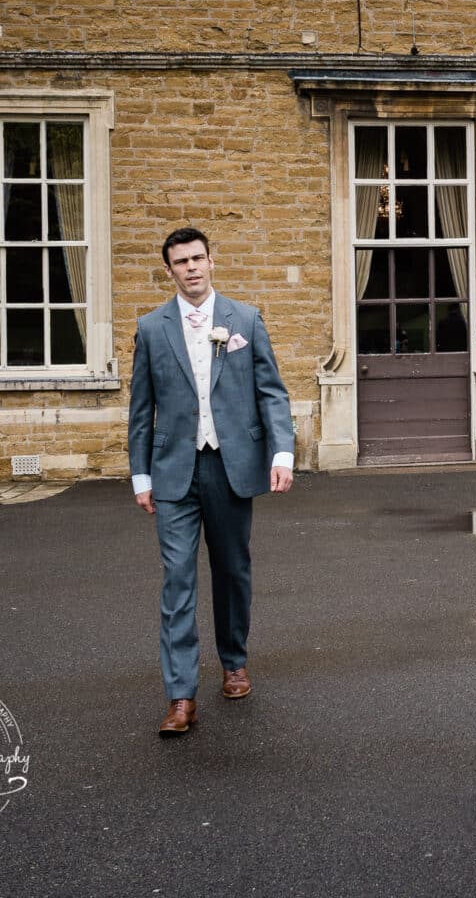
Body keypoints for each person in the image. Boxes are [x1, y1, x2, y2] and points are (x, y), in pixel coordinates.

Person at [128, 227, 295, 737]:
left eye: (198, 258)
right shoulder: (152, 328)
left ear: (212, 261)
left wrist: (281, 449)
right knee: (177, 578)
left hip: (231, 465)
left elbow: (271, 392)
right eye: (181, 262)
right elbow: (140, 409)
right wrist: (140, 473)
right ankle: (181, 697)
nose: (191, 268)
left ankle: (234, 661)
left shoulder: (243, 319)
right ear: (169, 270)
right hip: (173, 469)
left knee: (231, 570)